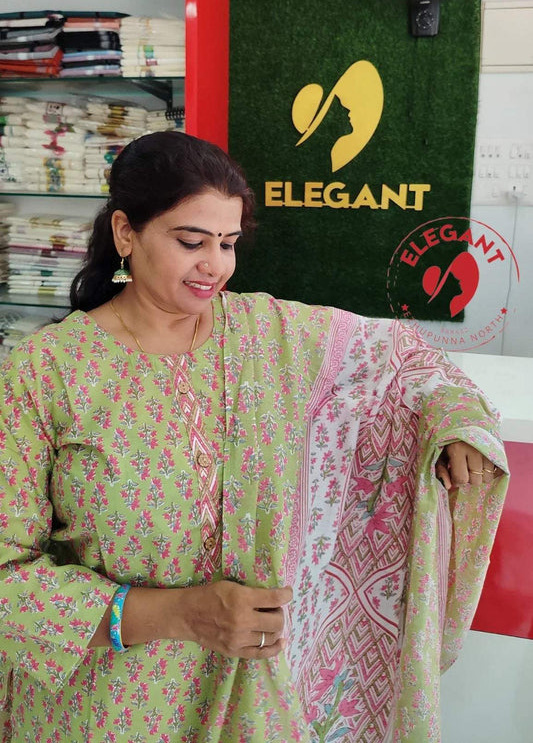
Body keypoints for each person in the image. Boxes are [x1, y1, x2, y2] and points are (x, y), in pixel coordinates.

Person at [0, 131, 508, 743]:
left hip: (256, 702)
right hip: (107, 707)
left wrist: (452, 423)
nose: (214, 265)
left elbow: (407, 362)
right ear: (125, 233)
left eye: (228, 243)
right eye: (191, 241)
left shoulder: (271, 335)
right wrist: (182, 615)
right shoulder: (43, 372)